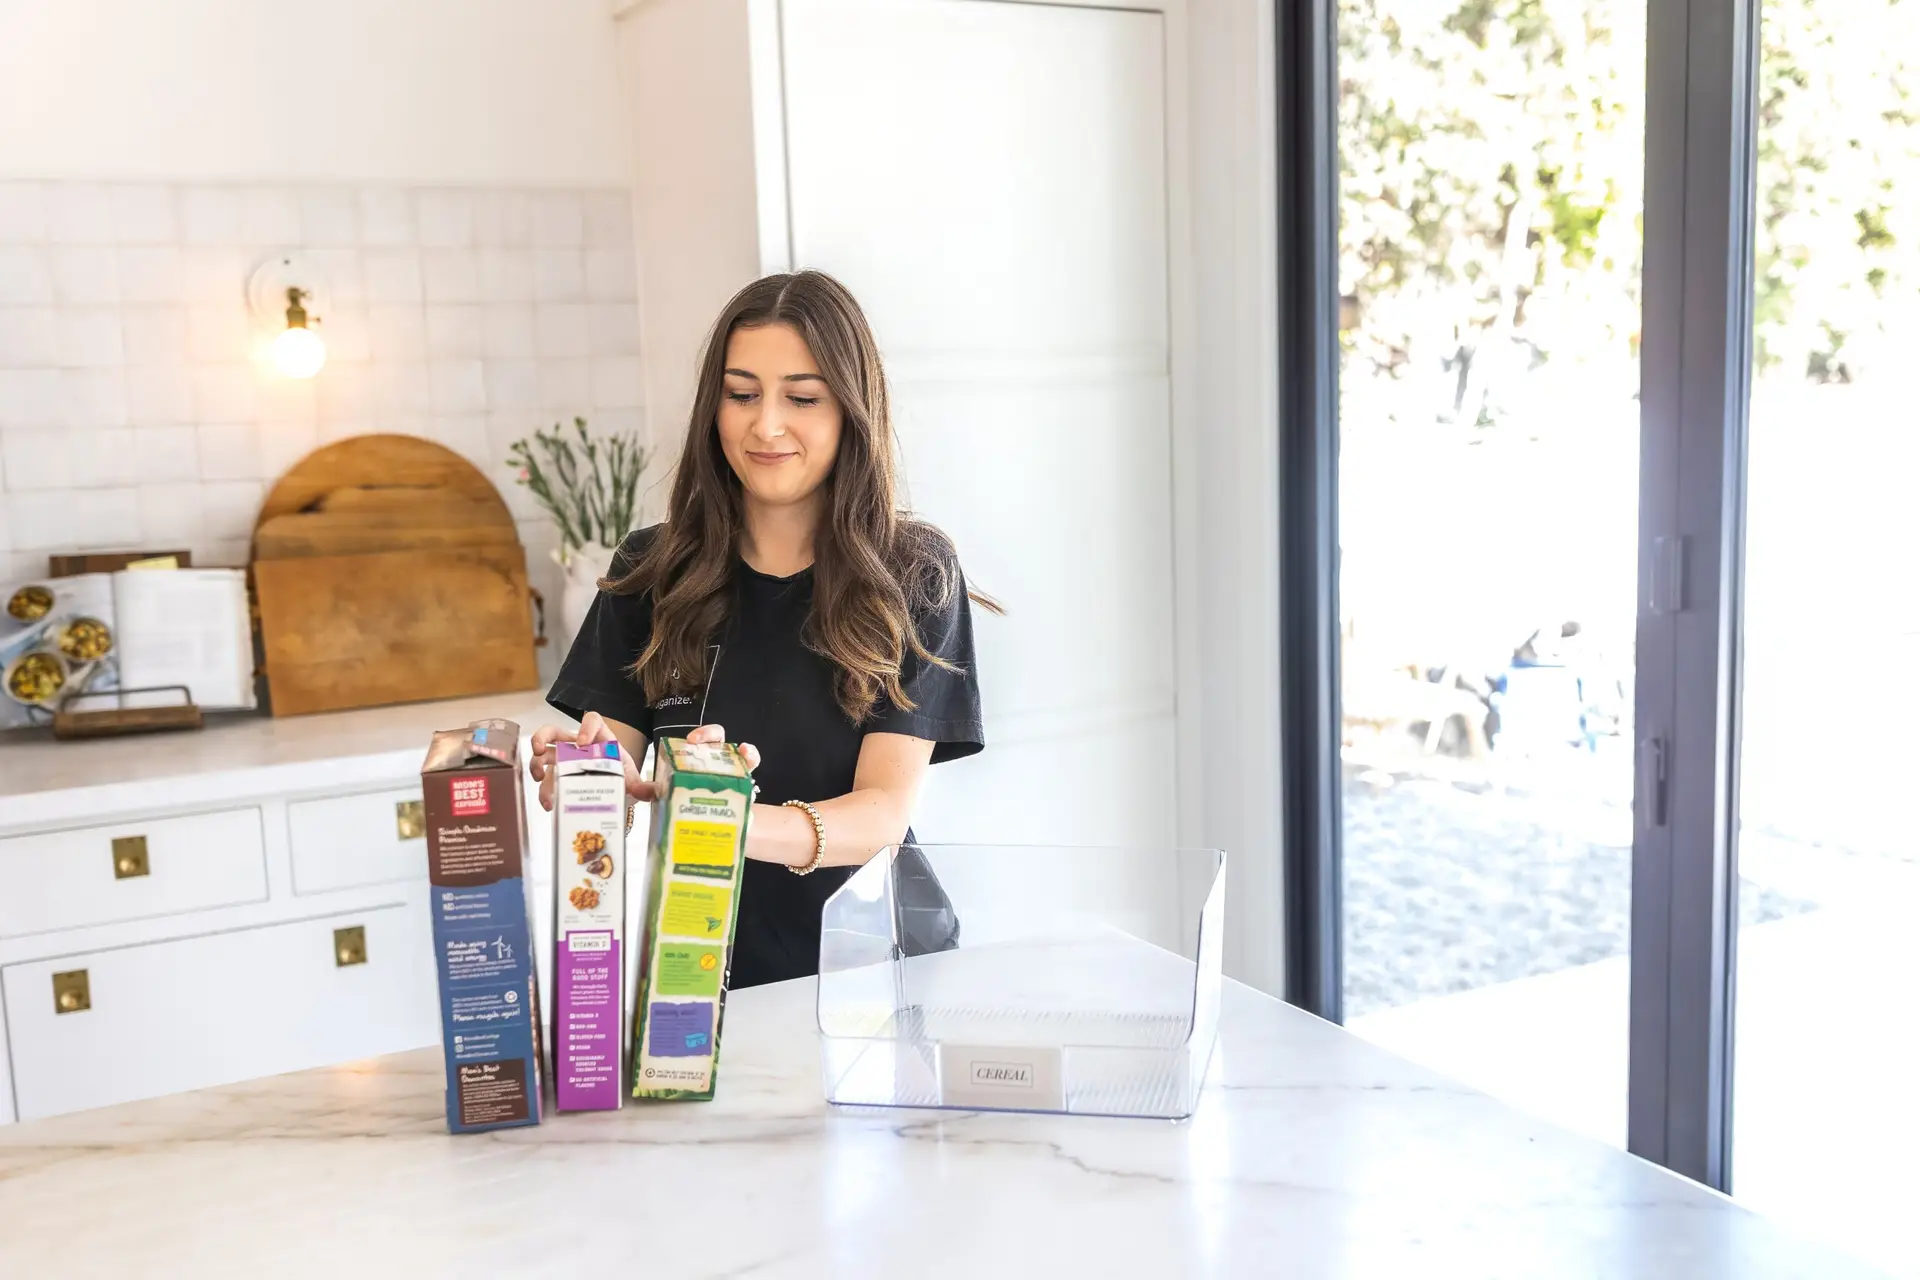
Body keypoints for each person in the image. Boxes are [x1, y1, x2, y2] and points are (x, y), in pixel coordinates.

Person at [529, 270, 997, 989]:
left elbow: (882, 813)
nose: (765, 424)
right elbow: (614, 787)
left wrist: (727, 820)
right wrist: (585, 779)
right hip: (701, 971)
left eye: (802, 398)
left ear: (851, 410)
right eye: (741, 394)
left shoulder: (914, 573)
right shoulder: (650, 572)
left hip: (878, 969)